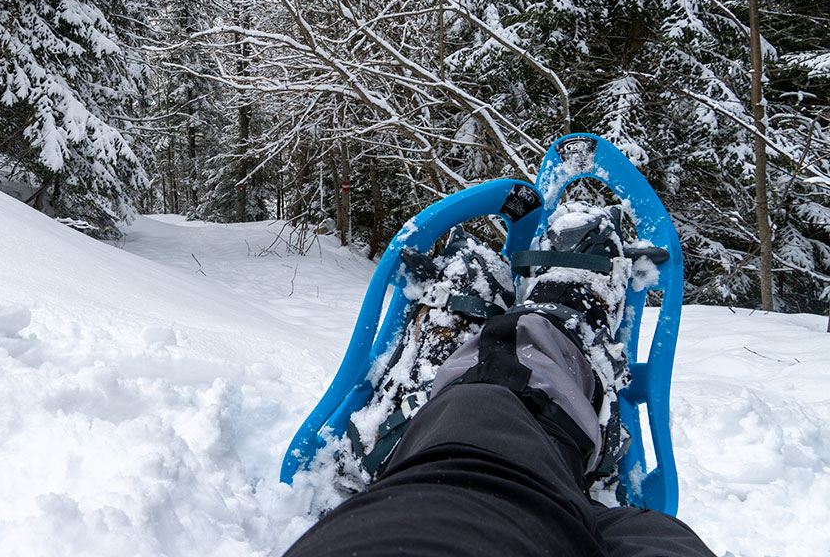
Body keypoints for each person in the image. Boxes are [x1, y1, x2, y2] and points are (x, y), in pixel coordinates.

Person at [284, 204, 716, 557]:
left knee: (470, 416)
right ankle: (557, 332)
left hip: (401, 517)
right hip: (550, 502)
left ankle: (482, 355)